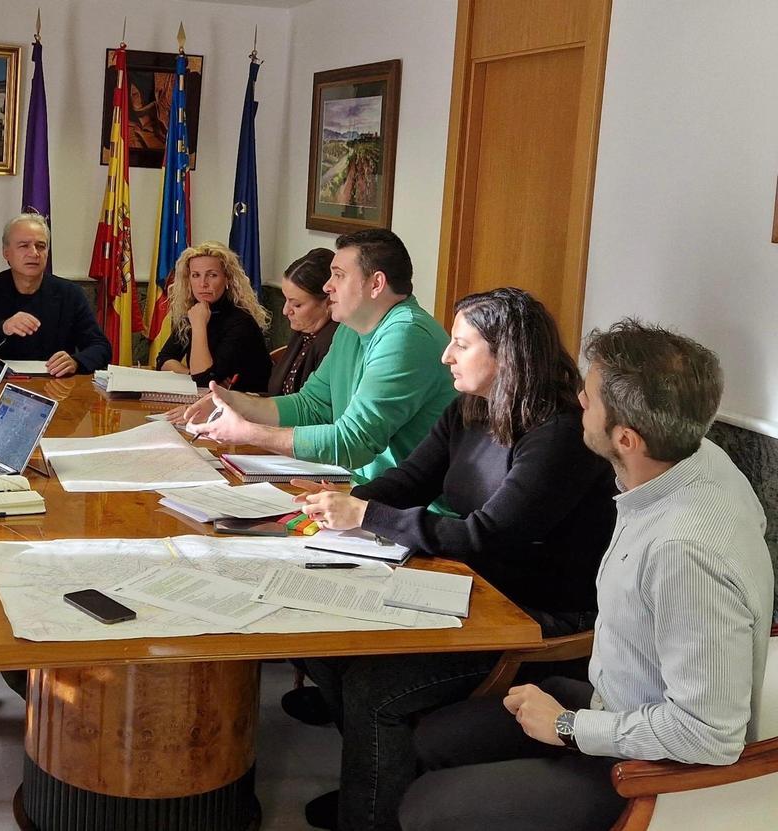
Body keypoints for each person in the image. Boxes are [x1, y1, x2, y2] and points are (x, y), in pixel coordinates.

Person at [399, 319, 774, 831]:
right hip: (614, 701)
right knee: (435, 738)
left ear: (626, 438)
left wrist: (567, 727)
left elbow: (706, 734)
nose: (578, 400)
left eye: (590, 398)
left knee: (426, 807)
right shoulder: (694, 456)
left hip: (651, 766)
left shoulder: (684, 553)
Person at [293, 288, 618, 831]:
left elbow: (488, 536)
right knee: (329, 648)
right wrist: (337, 505)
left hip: (536, 616)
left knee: (375, 690)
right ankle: (378, 783)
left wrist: (366, 515)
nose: (446, 355)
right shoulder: (470, 408)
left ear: (507, 356)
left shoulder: (560, 433)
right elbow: (410, 480)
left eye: (461, 345)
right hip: (473, 589)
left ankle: (371, 812)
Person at [181, 228, 455, 484]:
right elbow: (310, 406)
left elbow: (354, 443)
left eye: (338, 275)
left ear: (376, 284)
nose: (327, 286)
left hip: (414, 508)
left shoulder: (407, 334)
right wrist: (233, 401)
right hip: (364, 492)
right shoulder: (350, 329)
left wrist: (248, 432)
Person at [0, 213, 111, 376]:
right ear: (6, 252)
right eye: (24, 246)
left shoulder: (70, 293)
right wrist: (3, 328)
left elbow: (101, 347)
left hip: (54, 384)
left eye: (41, 246)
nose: (34, 253)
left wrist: (76, 361)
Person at [155, 241, 272, 393]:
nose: (203, 283)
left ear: (227, 279)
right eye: (196, 275)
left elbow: (204, 381)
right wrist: (190, 374)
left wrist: (199, 326)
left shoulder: (241, 321)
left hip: (249, 403)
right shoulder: (196, 311)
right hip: (214, 400)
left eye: (212, 275)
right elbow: (163, 359)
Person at [269, 248, 339, 395]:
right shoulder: (304, 333)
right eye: (286, 300)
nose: (285, 311)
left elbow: (312, 403)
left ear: (328, 301)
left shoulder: (334, 345)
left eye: (297, 305)